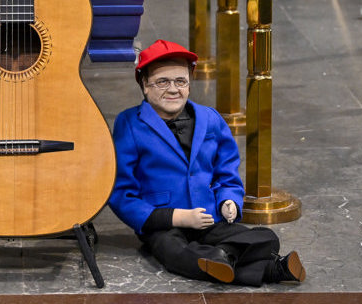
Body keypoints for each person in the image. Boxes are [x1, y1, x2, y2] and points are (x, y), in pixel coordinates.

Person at [107, 39, 305, 286]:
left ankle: (223, 257)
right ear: (144, 85)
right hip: (164, 223)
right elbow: (120, 191)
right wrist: (175, 217)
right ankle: (272, 270)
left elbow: (226, 169)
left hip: (209, 217)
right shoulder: (129, 123)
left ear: (190, 83)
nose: (173, 89)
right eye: (162, 82)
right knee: (173, 253)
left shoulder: (209, 118)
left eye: (180, 81)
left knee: (266, 237)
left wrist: (229, 199)